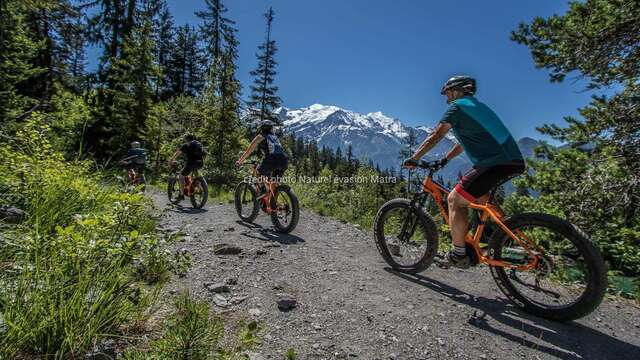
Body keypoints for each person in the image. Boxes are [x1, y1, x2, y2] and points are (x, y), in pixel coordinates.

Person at [404, 75, 525, 268]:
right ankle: (516, 238)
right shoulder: (475, 107)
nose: (446, 98)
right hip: (511, 160)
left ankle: (458, 254)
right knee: (482, 198)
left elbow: (437, 134)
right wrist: (445, 159)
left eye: (447, 93)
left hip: (495, 161)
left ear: (455, 90)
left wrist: (415, 158)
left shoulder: (457, 107)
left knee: (454, 200)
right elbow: (462, 144)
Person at [235, 120, 288, 199]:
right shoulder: (275, 137)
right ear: (270, 128)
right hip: (284, 161)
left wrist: (240, 161)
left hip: (272, 160)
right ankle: (273, 207)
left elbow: (249, 150)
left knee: (258, 172)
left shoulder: (260, 136)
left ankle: (263, 190)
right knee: (274, 185)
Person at [169, 133, 206, 200]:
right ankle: (200, 188)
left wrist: (172, 160)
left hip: (191, 164)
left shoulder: (186, 145)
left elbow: (178, 153)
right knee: (195, 174)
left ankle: (181, 195)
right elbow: (204, 154)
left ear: (187, 139)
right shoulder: (199, 144)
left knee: (181, 176)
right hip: (200, 163)